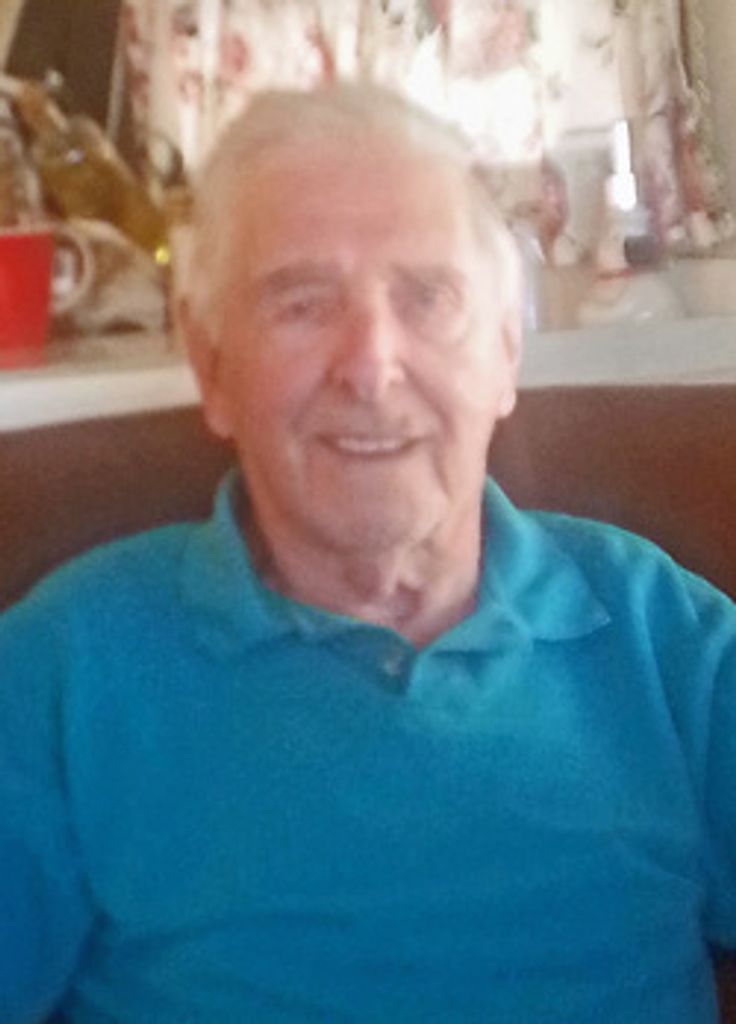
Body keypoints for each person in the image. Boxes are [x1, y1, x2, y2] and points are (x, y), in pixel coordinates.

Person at [0, 83, 734, 1024]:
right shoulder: (64, 672)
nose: (371, 364)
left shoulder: (660, 635)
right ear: (211, 363)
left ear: (504, 352)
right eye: (302, 303)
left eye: (428, 297)